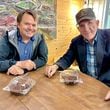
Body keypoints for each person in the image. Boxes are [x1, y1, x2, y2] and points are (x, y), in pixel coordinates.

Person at [45, 8, 110, 87]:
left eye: (90, 23)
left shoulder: (108, 35)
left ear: (97, 23)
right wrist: (55, 66)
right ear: (78, 29)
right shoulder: (76, 42)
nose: (86, 29)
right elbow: (67, 58)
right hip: (86, 84)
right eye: (82, 25)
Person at [0, 9, 48, 75]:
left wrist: (32, 64)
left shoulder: (40, 38)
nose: (30, 28)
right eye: (27, 24)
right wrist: (17, 64)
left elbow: (43, 59)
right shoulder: (7, 38)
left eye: (34, 25)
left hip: (30, 78)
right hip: (9, 77)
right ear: (18, 25)